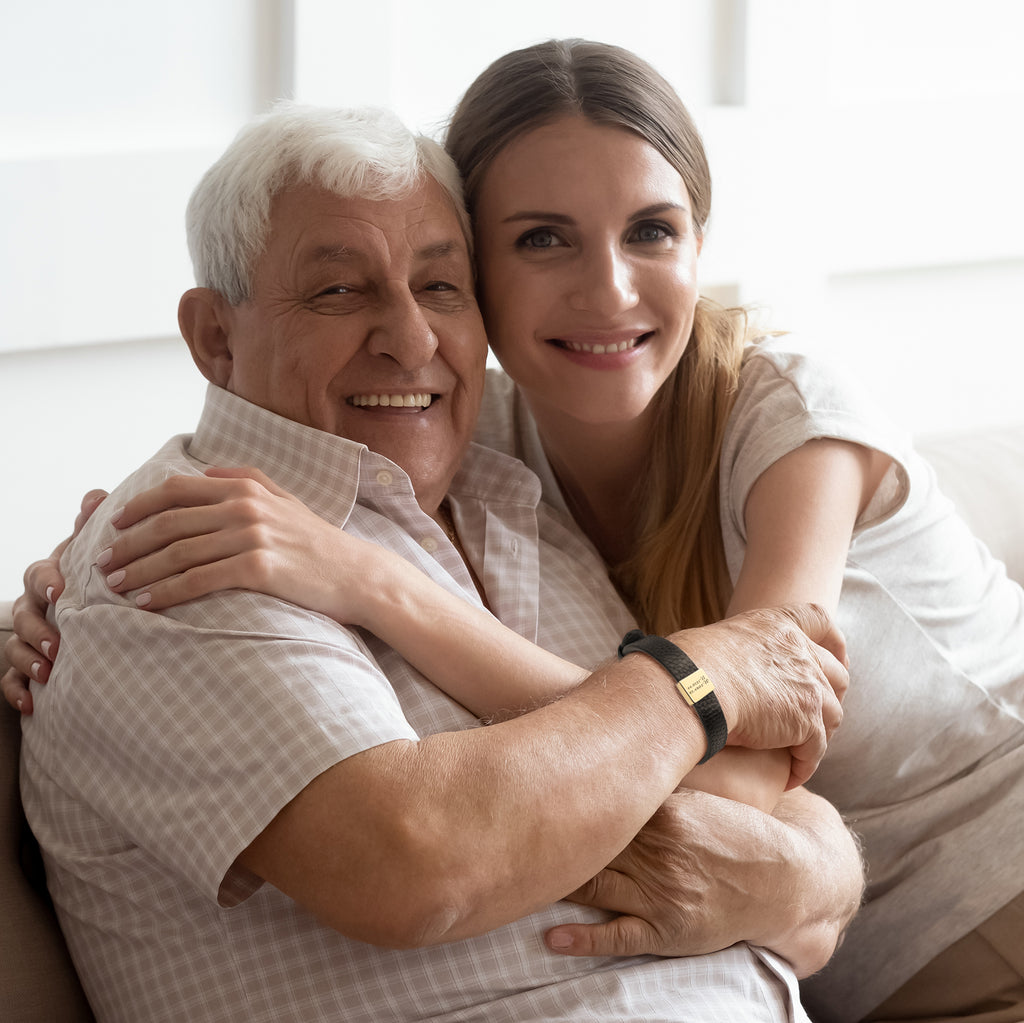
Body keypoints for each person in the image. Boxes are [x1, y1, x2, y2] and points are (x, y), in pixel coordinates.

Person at [15, 37, 1021, 1022]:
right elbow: (435, 850)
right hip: (869, 961)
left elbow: (758, 749)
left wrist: (378, 587)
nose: (608, 290)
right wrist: (67, 586)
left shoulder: (775, 419)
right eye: (543, 238)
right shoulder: (454, 436)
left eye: (652, 231)